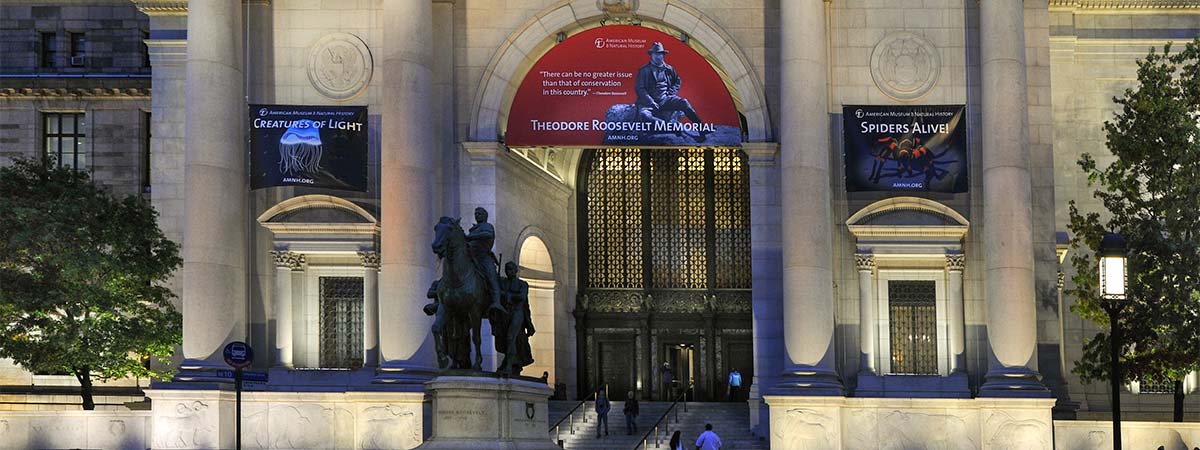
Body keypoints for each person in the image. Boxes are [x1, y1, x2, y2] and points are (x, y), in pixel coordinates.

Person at [635, 42, 709, 142]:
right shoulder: (644, 70)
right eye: (655, 54)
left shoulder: (669, 69)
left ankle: (701, 129)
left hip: (665, 99)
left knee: (684, 102)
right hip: (647, 103)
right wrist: (651, 102)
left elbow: (677, 81)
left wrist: (670, 93)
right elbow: (640, 88)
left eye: (660, 54)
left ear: (663, 55)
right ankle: (673, 128)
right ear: (651, 55)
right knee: (645, 115)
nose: (658, 56)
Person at [465, 207, 505, 314]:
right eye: (476, 213)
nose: (477, 215)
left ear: (485, 216)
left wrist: (471, 237)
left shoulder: (487, 226)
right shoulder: (473, 229)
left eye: (479, 213)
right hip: (470, 257)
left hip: (483, 257)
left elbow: (488, 234)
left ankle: (496, 302)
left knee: (491, 276)